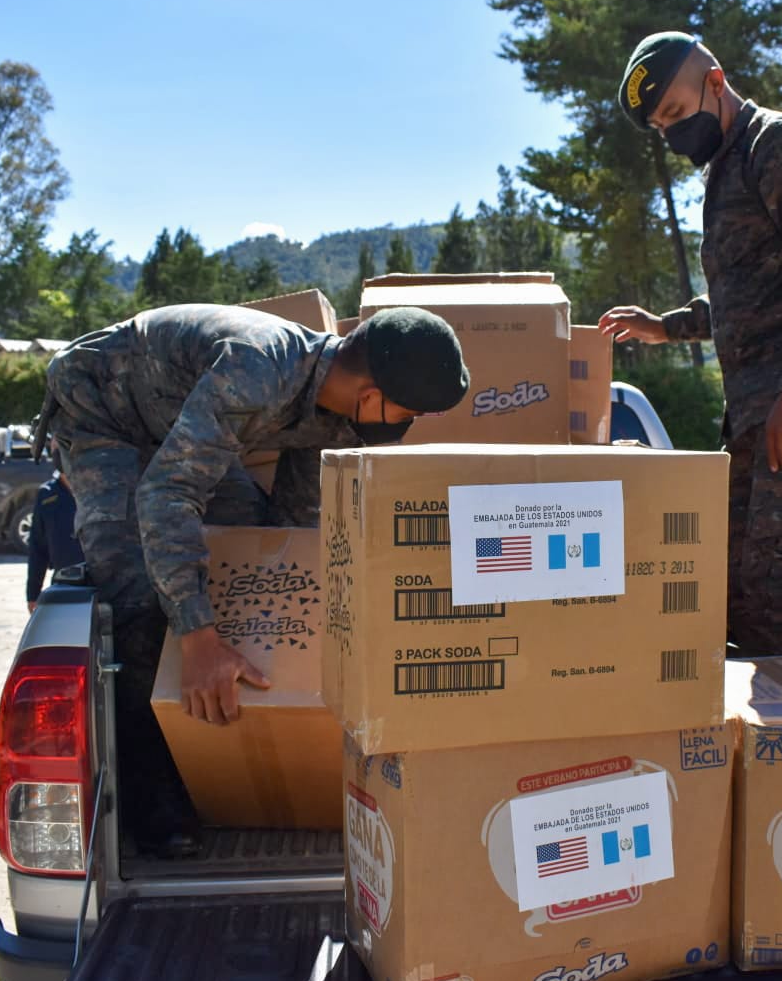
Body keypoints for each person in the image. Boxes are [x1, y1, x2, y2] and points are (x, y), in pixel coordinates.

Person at [39, 303, 468, 856]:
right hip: (103, 407)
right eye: (409, 412)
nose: (408, 425)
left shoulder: (342, 415)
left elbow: (293, 529)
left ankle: (222, 759)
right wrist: (197, 637)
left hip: (179, 421)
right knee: (141, 596)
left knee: (240, 554)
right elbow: (167, 493)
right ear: (370, 395)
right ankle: (154, 796)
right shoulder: (257, 371)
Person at [602, 31, 782, 655]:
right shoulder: (727, 169)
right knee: (734, 581)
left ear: (716, 81)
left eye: (675, 112)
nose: (673, 134)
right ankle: (766, 709)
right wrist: (667, 327)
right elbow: (751, 298)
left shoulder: (780, 144)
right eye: (660, 127)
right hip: (761, 413)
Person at [25, 445, 85, 614]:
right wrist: (33, 593)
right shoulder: (47, 494)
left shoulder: (100, 489)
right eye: (54, 442)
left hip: (103, 587)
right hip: (64, 586)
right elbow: (38, 548)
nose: (56, 446)